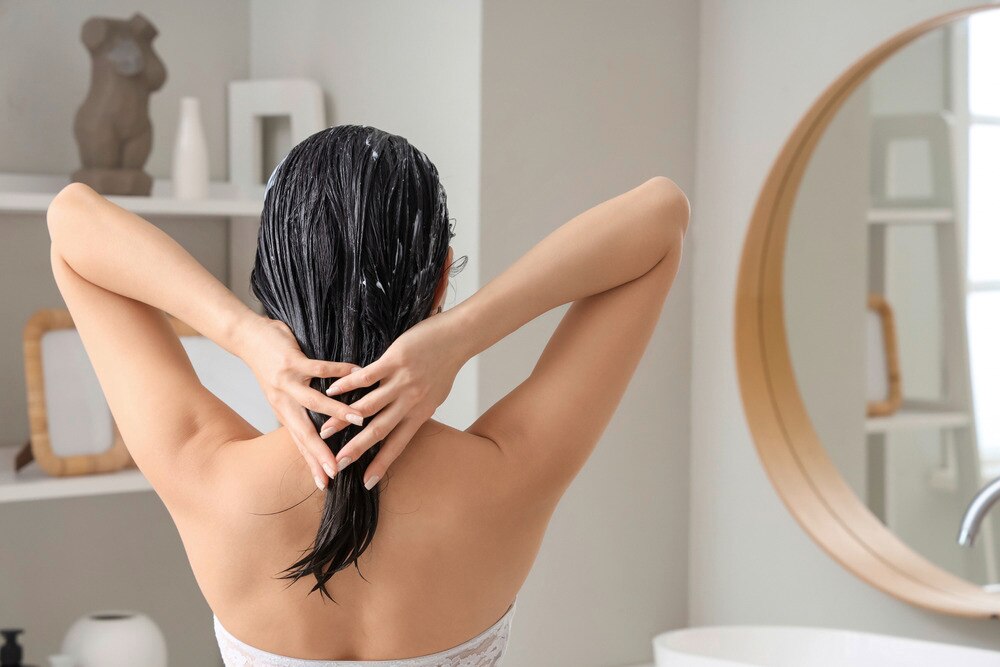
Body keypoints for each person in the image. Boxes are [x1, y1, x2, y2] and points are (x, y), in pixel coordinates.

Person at [46, 124, 690, 665]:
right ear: (441, 277)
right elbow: (661, 216)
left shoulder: (206, 473)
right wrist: (462, 334)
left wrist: (241, 336)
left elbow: (72, 221)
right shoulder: (510, 474)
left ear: (270, 280)